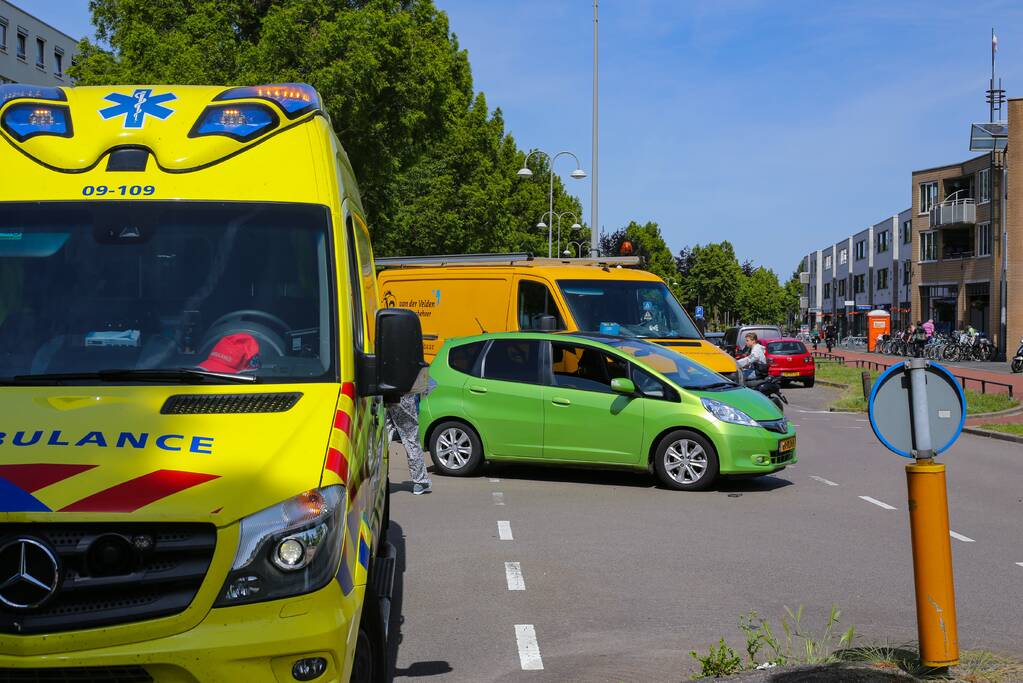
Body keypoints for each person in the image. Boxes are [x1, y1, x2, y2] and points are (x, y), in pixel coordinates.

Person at [387, 368, 434, 495]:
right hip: (403, 392)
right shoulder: (407, 349)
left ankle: (375, 477)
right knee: (410, 437)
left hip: (382, 390)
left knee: (382, 436)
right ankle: (420, 480)